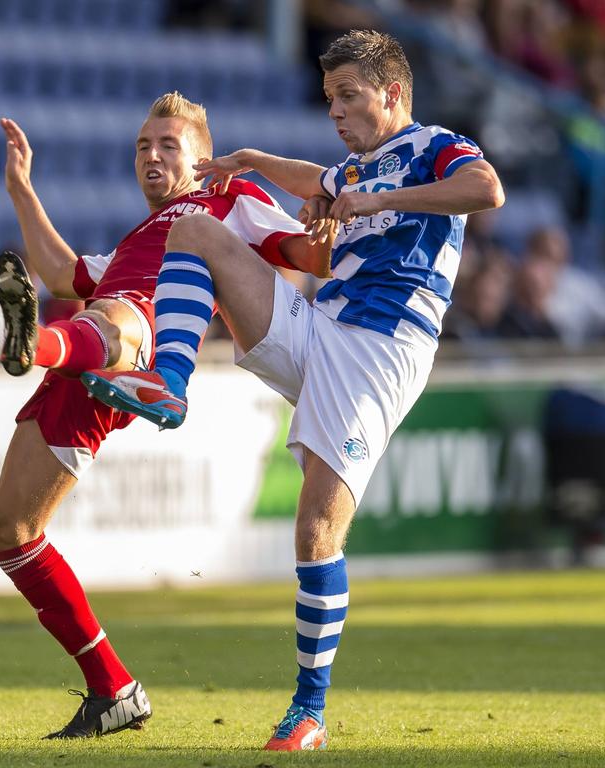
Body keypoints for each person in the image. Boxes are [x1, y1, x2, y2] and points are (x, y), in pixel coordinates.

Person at [85, 30, 505, 751]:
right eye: (328, 99)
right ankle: (171, 381)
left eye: (348, 96)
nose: (335, 112)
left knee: (315, 530)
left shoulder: (438, 146)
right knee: (195, 230)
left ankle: (308, 711)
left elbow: (487, 190)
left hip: (378, 349)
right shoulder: (351, 167)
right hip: (319, 326)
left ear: (393, 94)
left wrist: (378, 192)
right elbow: (322, 180)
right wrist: (253, 162)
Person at [0, 93, 332, 739]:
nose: (151, 154)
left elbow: (307, 253)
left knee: (114, 318)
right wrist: (21, 189)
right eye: (144, 145)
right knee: (10, 529)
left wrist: (332, 221)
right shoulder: (136, 239)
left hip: (136, 342)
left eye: (168, 145)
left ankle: (36, 343)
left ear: (205, 160)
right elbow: (61, 273)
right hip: (87, 360)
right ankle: (113, 689)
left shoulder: (230, 203)